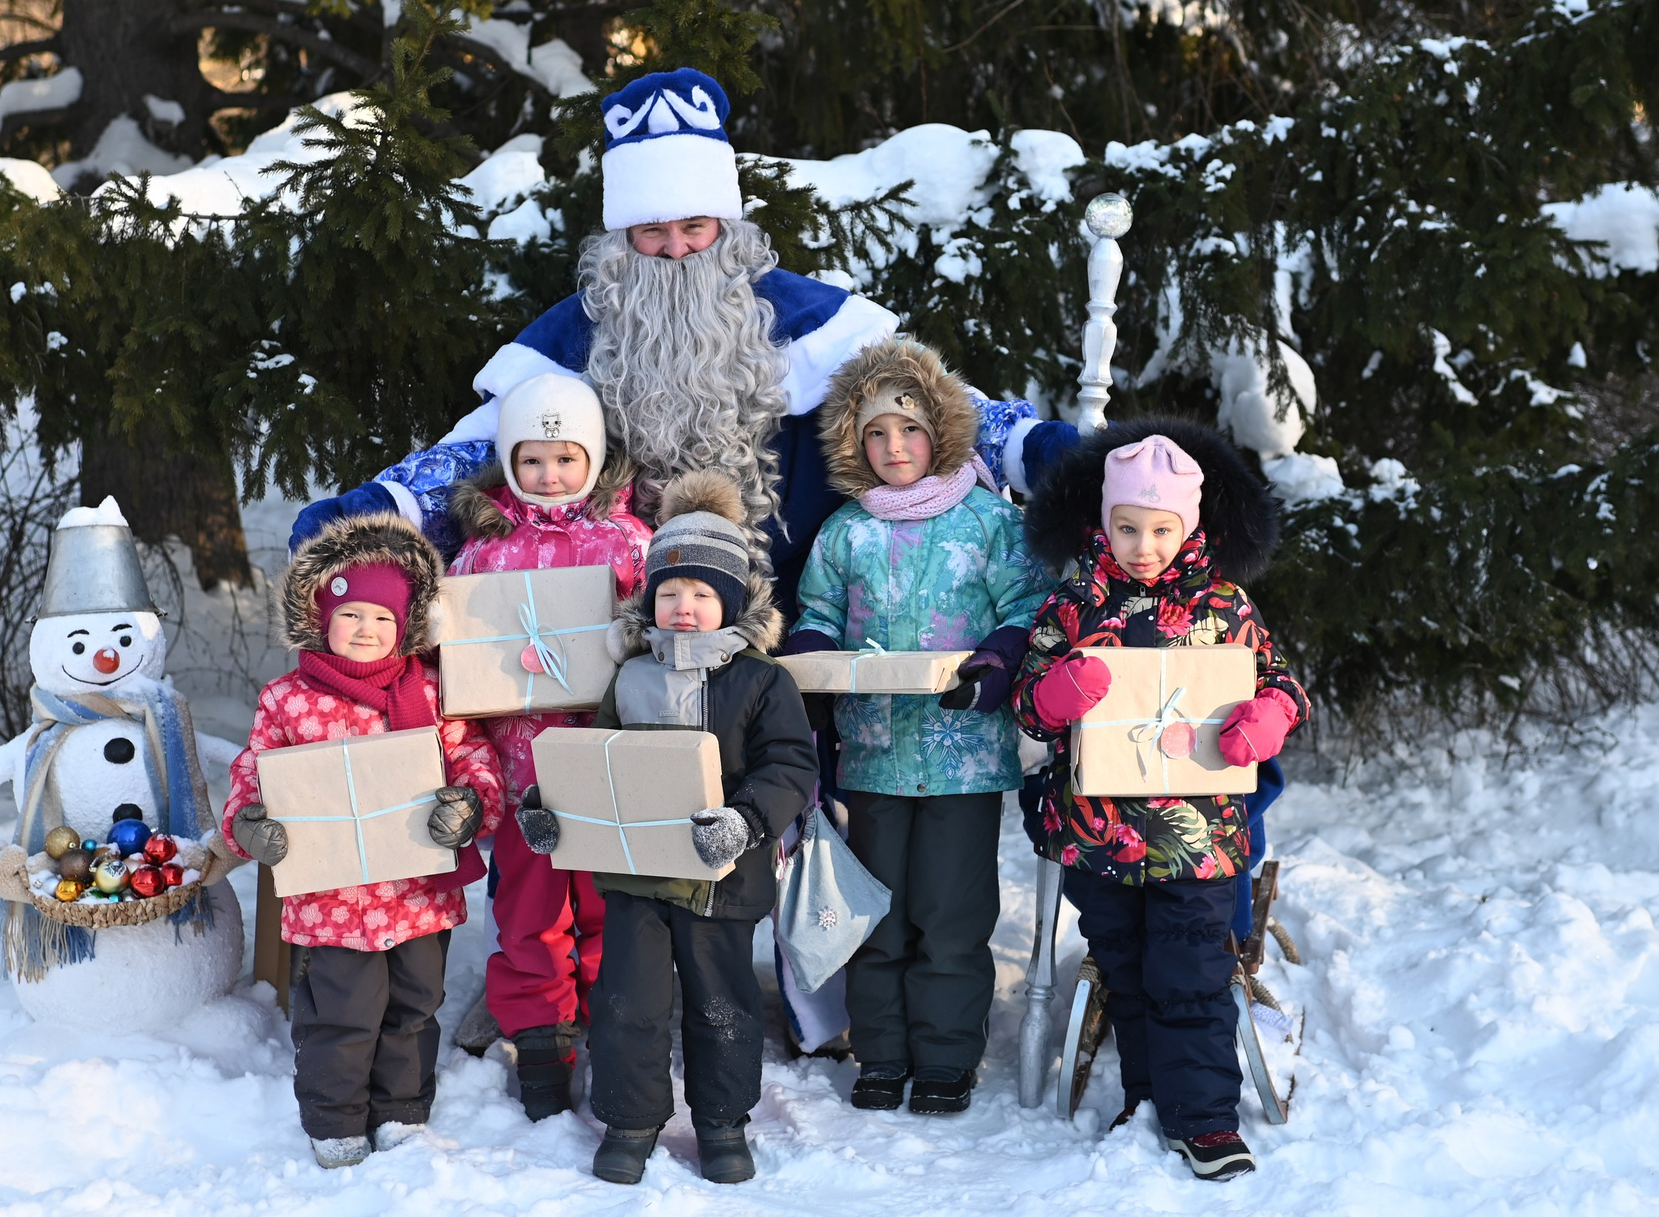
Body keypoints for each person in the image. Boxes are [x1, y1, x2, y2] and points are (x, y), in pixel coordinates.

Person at [285, 68, 1084, 609]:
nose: (675, 251)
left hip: (799, 619)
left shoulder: (809, 321)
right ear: (620, 234)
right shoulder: (574, 336)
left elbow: (934, 408)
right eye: (652, 231)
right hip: (621, 628)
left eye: (694, 226)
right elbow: (475, 450)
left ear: (727, 224)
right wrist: (372, 513)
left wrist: (1051, 453)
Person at [1012, 424, 1308, 1181]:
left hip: (1198, 837)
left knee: (1193, 970)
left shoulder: (1226, 606)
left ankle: (1205, 1119)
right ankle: (1147, 1098)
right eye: (1128, 527)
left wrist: (1268, 715)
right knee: (1130, 969)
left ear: (1190, 527)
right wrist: (1057, 691)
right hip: (1100, 834)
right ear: (1104, 523)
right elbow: (1027, 704)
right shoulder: (1077, 601)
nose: (1144, 545)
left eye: (1161, 529)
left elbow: (1280, 682)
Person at [515, 473, 818, 1185]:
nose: (685, 607)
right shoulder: (630, 677)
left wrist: (744, 821)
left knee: (721, 1005)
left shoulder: (761, 682)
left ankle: (721, 1121)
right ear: (650, 599)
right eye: (671, 593)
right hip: (636, 877)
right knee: (628, 1004)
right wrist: (550, 806)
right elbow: (598, 764)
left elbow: (790, 766)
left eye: (703, 594)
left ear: (732, 604)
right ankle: (630, 1119)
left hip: (720, 879)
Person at [784, 337, 1051, 1115]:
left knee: (951, 914)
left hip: (964, 757)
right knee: (880, 915)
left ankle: (944, 1057)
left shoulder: (987, 523)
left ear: (939, 431)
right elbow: (820, 615)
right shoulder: (846, 532)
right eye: (876, 434)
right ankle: (882, 1051)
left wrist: (996, 667)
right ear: (854, 443)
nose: (893, 447)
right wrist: (809, 662)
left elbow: (1028, 611)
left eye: (907, 430)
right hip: (872, 756)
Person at [222, 512, 504, 1169]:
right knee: (341, 1014)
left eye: (383, 617)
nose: (367, 629)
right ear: (321, 616)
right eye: (351, 615)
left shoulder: (429, 690)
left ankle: (403, 1110)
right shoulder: (290, 698)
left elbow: (472, 759)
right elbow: (254, 768)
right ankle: (335, 1119)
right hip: (333, 897)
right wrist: (250, 820)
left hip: (417, 891)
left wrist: (469, 804)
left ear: (405, 625)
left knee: (413, 1004)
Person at [445, 373, 653, 1120]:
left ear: (594, 460)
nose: (550, 475)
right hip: (520, 768)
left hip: (603, 763)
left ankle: (608, 1030)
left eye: (566, 458)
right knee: (529, 912)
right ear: (510, 463)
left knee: (603, 907)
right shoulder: (484, 551)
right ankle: (540, 1038)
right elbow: (461, 648)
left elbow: (654, 630)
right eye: (532, 460)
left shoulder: (626, 541)